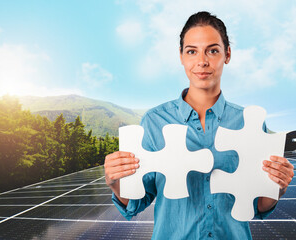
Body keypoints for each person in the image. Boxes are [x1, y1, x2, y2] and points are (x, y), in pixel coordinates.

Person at [104, 11, 294, 239]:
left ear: (228, 54)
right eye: (192, 51)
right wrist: (116, 182)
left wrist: (277, 187)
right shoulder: (154, 121)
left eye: (212, 50)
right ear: (181, 57)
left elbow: (259, 206)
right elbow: (135, 202)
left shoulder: (250, 122)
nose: (202, 61)